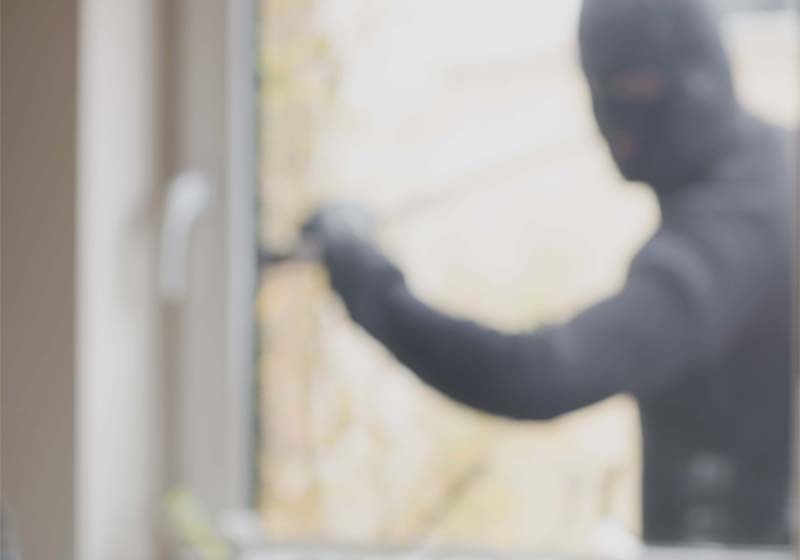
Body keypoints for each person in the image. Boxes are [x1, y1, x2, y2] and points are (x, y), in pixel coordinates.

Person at [303, 0, 794, 545]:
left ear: (698, 80)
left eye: (631, 90)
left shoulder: (739, 231)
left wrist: (366, 280)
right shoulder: (771, 174)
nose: (613, 126)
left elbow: (541, 375)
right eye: (598, 88)